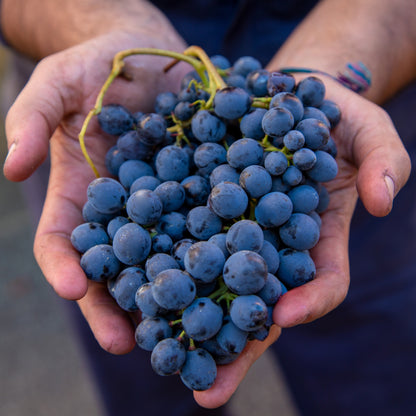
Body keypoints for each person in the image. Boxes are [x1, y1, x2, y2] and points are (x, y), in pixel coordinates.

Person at [1, 0, 415, 414]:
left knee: (365, 374)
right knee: (141, 376)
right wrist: (96, 26)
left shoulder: (271, 140)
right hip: (101, 68)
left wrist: (345, 58)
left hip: (350, 73)